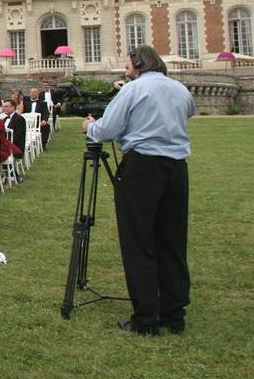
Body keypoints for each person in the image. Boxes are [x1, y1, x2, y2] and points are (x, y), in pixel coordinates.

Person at [83, 45, 195, 336]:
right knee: (171, 239)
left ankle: (146, 318)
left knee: (138, 241)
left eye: (128, 64)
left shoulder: (133, 90)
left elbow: (108, 129)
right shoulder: (179, 89)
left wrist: (91, 128)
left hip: (143, 166)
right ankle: (174, 313)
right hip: (176, 168)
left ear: (137, 63)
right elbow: (189, 112)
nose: (126, 69)